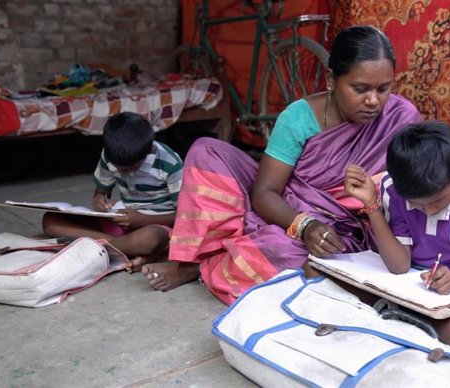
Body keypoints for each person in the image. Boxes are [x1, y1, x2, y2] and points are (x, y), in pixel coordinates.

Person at [142, 25, 421, 304]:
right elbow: (264, 192)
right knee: (206, 152)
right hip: (291, 211)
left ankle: (206, 264)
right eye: (360, 89)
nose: (373, 101)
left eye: (383, 88)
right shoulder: (298, 118)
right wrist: (305, 225)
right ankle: (198, 260)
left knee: (279, 248)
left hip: (350, 231)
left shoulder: (401, 119)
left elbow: (409, 192)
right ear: (331, 80)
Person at [343, 120, 450, 348]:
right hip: (405, 281)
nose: (430, 211)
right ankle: (414, 321)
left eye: (438, 201)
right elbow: (399, 266)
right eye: (417, 205)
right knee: (317, 272)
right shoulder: (393, 187)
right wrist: (371, 203)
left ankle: (395, 317)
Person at [42, 112, 183, 272]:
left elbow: (184, 217)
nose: (121, 172)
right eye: (117, 167)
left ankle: (103, 249)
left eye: (130, 168)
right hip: (121, 222)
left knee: (149, 239)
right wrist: (100, 200)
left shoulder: (170, 163)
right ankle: (130, 250)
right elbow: (101, 191)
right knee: (50, 220)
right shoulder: (110, 155)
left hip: (156, 225)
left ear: (149, 150)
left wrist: (142, 220)